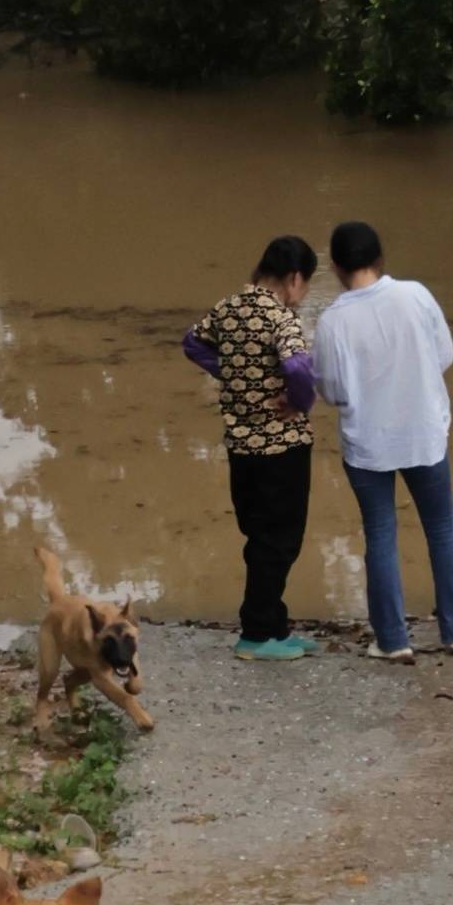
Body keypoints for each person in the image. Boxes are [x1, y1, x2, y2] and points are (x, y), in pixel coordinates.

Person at [307, 221, 453, 662]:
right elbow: (444, 354)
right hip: (423, 434)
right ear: (380, 258)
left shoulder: (332, 321)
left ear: (334, 266)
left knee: (380, 535)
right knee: (442, 529)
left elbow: (331, 391)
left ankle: (392, 640)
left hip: (367, 443)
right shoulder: (416, 295)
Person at [181, 233, 322, 657]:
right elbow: (297, 365)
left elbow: (192, 343)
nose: (302, 295)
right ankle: (257, 633)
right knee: (280, 540)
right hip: (281, 446)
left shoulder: (227, 308)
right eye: (306, 284)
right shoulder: (281, 318)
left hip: (241, 446)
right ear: (294, 278)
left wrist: (231, 374)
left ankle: (274, 626)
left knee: (260, 535)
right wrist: (300, 402)